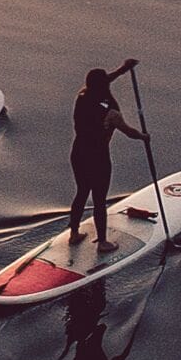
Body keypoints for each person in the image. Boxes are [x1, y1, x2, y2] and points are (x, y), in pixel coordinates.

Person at [66, 62, 149, 243]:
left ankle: (74, 234)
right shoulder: (111, 113)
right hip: (98, 157)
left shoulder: (82, 96)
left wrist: (122, 70)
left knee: (82, 192)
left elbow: (103, 81)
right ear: (105, 85)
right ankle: (103, 242)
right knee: (99, 199)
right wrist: (143, 137)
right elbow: (129, 132)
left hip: (79, 153)